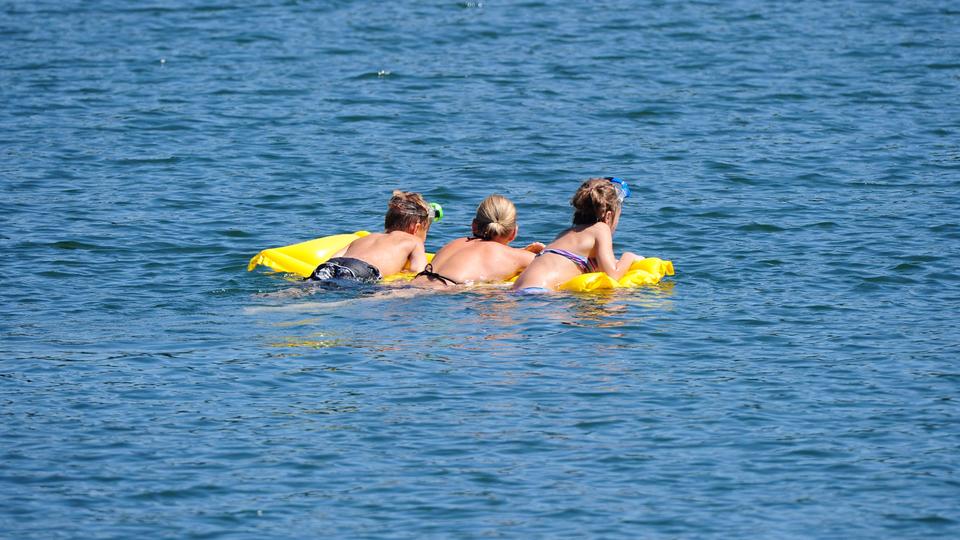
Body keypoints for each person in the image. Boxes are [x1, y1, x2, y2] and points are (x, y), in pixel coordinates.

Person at [512, 177, 640, 293]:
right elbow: (613, 275)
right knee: (615, 311)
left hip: (516, 291)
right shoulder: (601, 229)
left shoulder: (564, 234)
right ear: (608, 216)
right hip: (540, 294)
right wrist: (628, 257)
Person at [410, 195, 544, 288]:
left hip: (411, 285)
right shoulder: (512, 256)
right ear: (513, 232)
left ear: (474, 225)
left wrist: (521, 251)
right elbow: (554, 262)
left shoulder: (456, 242)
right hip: (440, 295)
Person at [306, 190, 434, 283]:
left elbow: (332, 258)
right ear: (415, 228)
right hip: (362, 271)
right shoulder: (413, 241)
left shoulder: (363, 238)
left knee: (309, 288)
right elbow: (418, 271)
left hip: (331, 266)